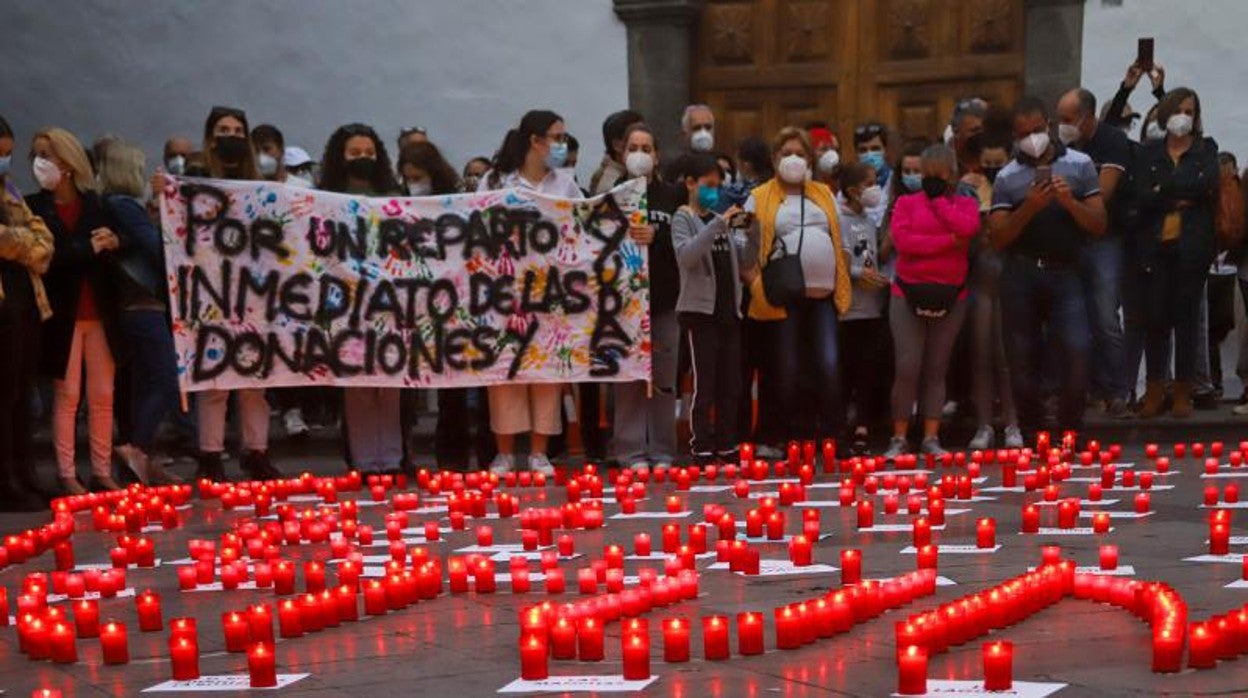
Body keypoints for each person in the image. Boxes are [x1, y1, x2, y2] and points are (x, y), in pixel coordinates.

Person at [989, 97, 1106, 435]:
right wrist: (1029, 207)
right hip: (1021, 274)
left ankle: (1070, 432)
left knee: (1077, 352)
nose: (1033, 138)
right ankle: (1033, 438)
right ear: (1015, 136)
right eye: (1024, 133)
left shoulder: (1081, 165)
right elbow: (998, 238)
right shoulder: (1007, 177)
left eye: (1038, 130)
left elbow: (1099, 224)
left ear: (1050, 126)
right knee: (1021, 361)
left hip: (1066, 271)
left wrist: (1069, 202)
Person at [479, 110, 580, 474]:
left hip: (550, 294)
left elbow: (583, 226)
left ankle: (539, 452)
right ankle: (505, 452)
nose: (561, 145)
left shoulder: (565, 183)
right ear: (535, 141)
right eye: (556, 137)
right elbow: (476, 226)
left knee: (547, 371)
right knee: (504, 371)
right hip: (503, 294)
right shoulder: (495, 181)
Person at [26, 128, 124, 494]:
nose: (40, 163)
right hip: (62, 314)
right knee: (67, 395)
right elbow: (50, 257)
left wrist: (114, 241)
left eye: (46, 155)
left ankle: (102, 470)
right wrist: (89, 248)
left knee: (103, 395)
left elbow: (119, 242)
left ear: (66, 162)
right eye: (36, 155)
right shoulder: (36, 207)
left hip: (100, 311)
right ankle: (67, 472)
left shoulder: (96, 203)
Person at [744, 127, 852, 447]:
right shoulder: (759, 197)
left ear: (810, 160)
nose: (793, 159)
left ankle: (832, 435)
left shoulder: (823, 193)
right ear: (775, 158)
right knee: (785, 369)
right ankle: (779, 436)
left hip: (823, 296)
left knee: (829, 364)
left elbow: (840, 240)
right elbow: (746, 249)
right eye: (786, 153)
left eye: (800, 154)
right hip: (781, 297)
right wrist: (756, 286)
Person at [396, 140, 496, 471]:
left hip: (468, 301)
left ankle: (485, 453)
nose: (414, 182)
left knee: (481, 386)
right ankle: (451, 456)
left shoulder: (458, 202)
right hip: (431, 306)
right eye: (408, 177)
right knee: (448, 389)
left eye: (418, 176)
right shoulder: (400, 205)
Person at [193, 106, 281, 481]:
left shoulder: (258, 184)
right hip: (210, 292)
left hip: (254, 293)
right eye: (223, 129)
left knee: (254, 379)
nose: (230, 135)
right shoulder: (194, 179)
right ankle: (210, 454)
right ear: (212, 137)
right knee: (215, 381)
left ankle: (256, 450)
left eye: (236, 129)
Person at [319, 123, 406, 474]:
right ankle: (365, 460)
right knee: (357, 385)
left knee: (391, 384)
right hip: (345, 306)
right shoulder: (322, 198)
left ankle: (393, 458)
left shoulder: (394, 197)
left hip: (389, 302)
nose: (362, 159)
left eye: (369, 153)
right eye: (355, 154)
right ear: (340, 157)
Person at [884, 145, 980, 458]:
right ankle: (899, 436)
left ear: (951, 174)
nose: (932, 179)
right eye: (928, 174)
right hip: (907, 292)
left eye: (939, 174)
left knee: (937, 367)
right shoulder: (905, 203)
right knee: (907, 366)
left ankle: (930, 435)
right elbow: (905, 242)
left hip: (951, 294)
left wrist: (939, 203)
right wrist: (947, 243)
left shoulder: (965, 203)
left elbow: (968, 229)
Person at [97, 141, 182, 486]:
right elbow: (155, 248)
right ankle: (137, 446)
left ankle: (137, 463)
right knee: (166, 378)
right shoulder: (125, 206)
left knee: (145, 382)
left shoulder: (115, 207)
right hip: (143, 304)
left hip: (136, 306)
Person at [1133, 88, 1219, 418]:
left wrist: (1165, 189)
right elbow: (1143, 194)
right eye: (1179, 109)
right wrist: (1177, 194)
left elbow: (1206, 185)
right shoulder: (1150, 152)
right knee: (1156, 318)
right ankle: (1155, 388)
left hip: (1192, 245)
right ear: (1167, 113)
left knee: (1186, 319)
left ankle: (1184, 390)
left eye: (1190, 110)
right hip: (1156, 245)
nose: (1184, 115)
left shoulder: (1204, 149)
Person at [672, 152, 757, 462]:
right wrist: (717, 225)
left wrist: (749, 231)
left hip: (727, 312)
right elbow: (687, 257)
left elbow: (743, 259)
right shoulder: (683, 217)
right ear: (691, 184)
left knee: (730, 383)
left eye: (718, 186)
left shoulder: (719, 221)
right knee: (704, 383)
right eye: (708, 185)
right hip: (700, 314)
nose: (714, 191)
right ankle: (701, 444)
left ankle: (726, 441)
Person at [1056, 88, 1133, 418]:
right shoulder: (1065, 147)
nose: (1062, 126)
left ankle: (1118, 390)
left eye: (1068, 120)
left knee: (1104, 317)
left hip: (1106, 240)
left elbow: (1103, 193)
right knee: (1076, 318)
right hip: (1072, 241)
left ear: (1087, 117)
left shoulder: (1112, 141)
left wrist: (1070, 196)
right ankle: (1087, 388)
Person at [611, 123, 682, 471]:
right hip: (624, 306)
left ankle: (663, 449)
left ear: (656, 156)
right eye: (633, 147)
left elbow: (685, 243)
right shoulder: (611, 196)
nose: (640, 153)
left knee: (664, 378)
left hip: (665, 300)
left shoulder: (673, 196)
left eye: (646, 147)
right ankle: (630, 451)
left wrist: (658, 236)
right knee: (629, 379)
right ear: (623, 155)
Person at [0, 116, 55, 510]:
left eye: (7, 155)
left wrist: (18, 243)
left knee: (22, 397)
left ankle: (25, 473)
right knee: (3, 398)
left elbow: (44, 243)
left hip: (24, 304)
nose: (5, 162)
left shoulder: (10, 192)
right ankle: (5, 481)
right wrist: (23, 244)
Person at [967, 129, 1023, 450]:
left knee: (1006, 355)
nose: (991, 168)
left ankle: (1013, 422)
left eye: (997, 162)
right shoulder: (970, 188)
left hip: (1008, 275)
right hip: (980, 277)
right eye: (986, 163)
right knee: (981, 352)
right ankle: (984, 423)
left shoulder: (1016, 186)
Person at [837, 162, 891, 454]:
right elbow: (842, 261)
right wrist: (860, 274)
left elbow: (873, 255)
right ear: (852, 190)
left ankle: (864, 425)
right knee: (848, 369)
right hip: (849, 309)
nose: (874, 189)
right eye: (869, 183)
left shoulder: (870, 221)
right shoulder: (839, 219)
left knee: (870, 370)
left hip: (872, 306)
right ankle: (842, 425)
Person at [589, 110, 644, 195]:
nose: (645, 141)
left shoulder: (640, 171)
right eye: (636, 137)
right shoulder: (610, 187)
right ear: (617, 146)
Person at [1104, 62, 1167, 131]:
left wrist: (1160, 92)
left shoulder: (1132, 141)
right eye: (1123, 122)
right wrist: (1125, 90)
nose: (1127, 127)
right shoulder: (1102, 139)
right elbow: (1108, 126)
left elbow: (1176, 124)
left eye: (1129, 122)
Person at [854, 121, 892, 224]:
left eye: (875, 149)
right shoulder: (849, 187)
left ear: (886, 150)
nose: (869, 155)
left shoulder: (897, 182)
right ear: (856, 154)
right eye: (863, 150)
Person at [807, 122, 841, 190]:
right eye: (824, 149)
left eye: (835, 149)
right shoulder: (804, 186)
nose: (831, 153)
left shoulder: (842, 184)